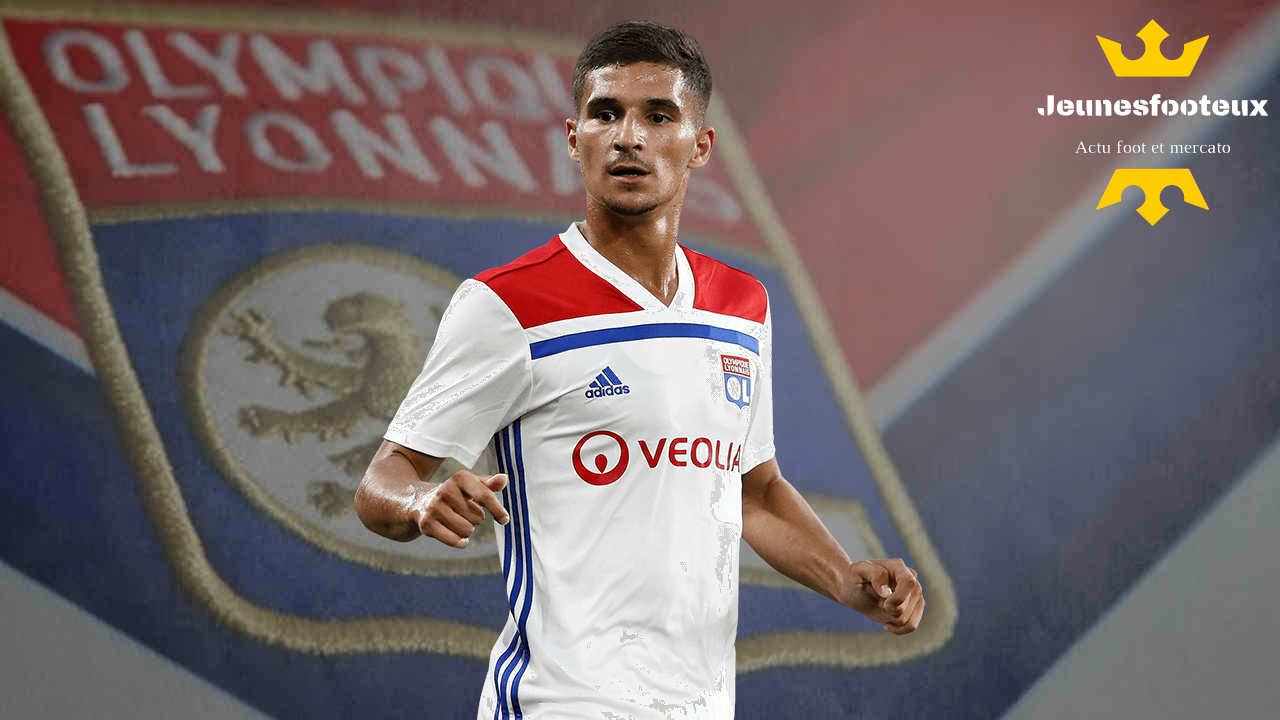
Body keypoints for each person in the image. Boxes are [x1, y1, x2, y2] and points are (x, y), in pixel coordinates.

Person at [355, 20, 924, 719]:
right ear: (575, 139)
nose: (629, 136)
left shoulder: (742, 304)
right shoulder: (505, 304)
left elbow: (752, 491)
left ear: (700, 146)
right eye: (606, 114)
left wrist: (845, 579)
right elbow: (381, 484)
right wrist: (420, 502)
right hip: (558, 704)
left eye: (658, 116)